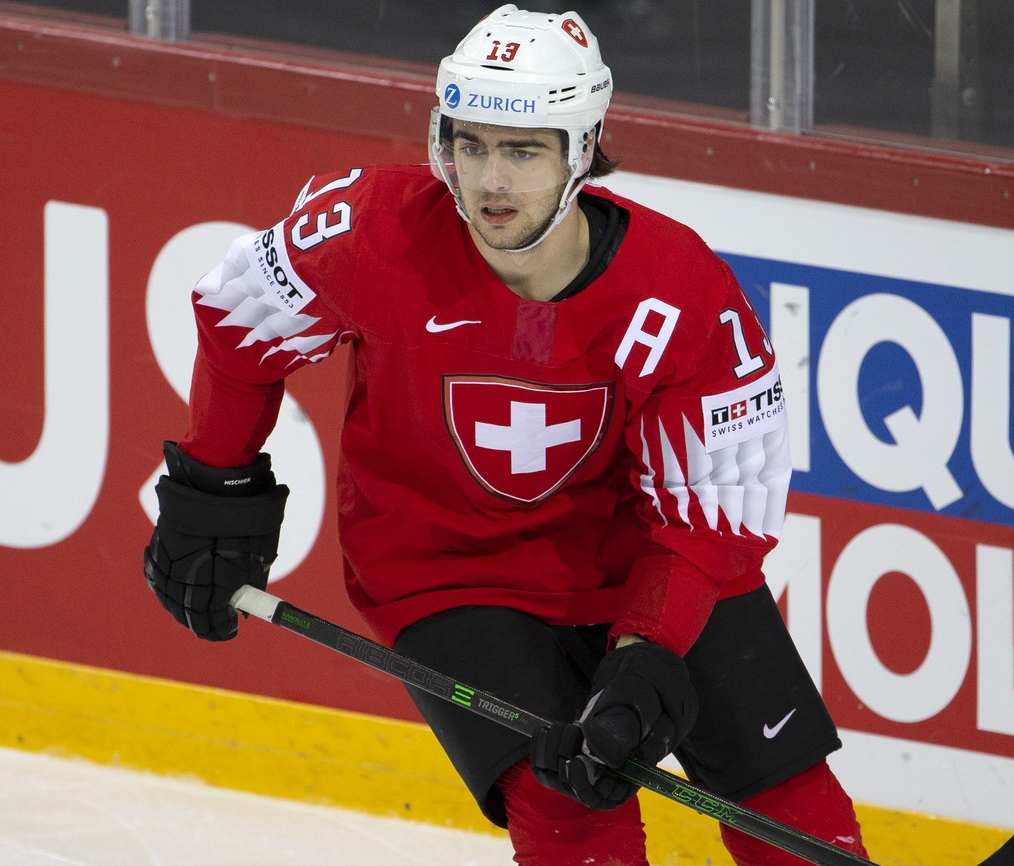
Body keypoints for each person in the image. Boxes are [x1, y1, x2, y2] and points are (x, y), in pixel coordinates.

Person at [143, 5, 870, 865]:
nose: (489, 182)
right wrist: (214, 488)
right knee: (567, 799)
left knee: (778, 786)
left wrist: (646, 652)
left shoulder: (680, 294)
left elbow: (709, 515)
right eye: (471, 144)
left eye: (523, 152)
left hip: (638, 554)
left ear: (583, 151)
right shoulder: (375, 233)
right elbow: (238, 321)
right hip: (449, 570)